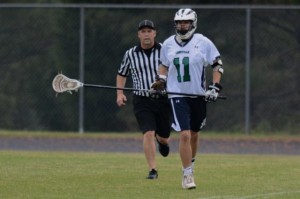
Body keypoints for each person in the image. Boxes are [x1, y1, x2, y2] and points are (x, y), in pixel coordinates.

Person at [151, 8, 224, 189]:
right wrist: (160, 81)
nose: (182, 25)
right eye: (179, 22)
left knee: (194, 134)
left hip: (198, 95)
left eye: (185, 22)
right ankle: (187, 174)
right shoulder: (168, 44)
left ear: (193, 23)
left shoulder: (203, 42)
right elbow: (163, 67)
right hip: (177, 95)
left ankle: (190, 162)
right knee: (184, 134)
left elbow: (217, 65)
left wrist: (214, 87)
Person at [116, 20, 171, 179]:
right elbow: (121, 74)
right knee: (148, 133)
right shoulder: (130, 54)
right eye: (143, 31)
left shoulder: (165, 51)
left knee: (163, 136)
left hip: (162, 99)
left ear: (154, 33)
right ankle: (153, 170)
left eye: (149, 31)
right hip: (142, 100)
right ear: (139, 34)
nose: (146, 34)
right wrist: (120, 94)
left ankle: (162, 142)